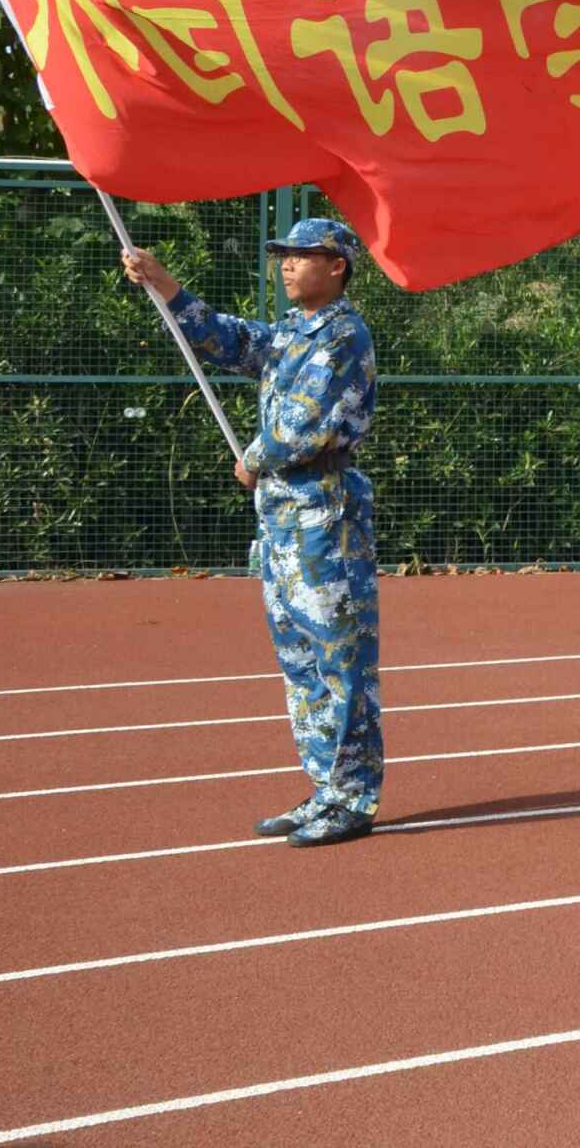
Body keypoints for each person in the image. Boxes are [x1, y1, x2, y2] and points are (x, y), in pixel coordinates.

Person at [123, 219, 385, 847]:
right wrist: (164, 284)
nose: (287, 264)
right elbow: (229, 339)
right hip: (282, 522)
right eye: (283, 255)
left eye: (302, 255)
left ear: (338, 266)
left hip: (324, 520)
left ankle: (352, 797)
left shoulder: (342, 335)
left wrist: (254, 458)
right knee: (300, 664)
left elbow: (305, 423)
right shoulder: (294, 330)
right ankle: (325, 788)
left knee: (339, 661)